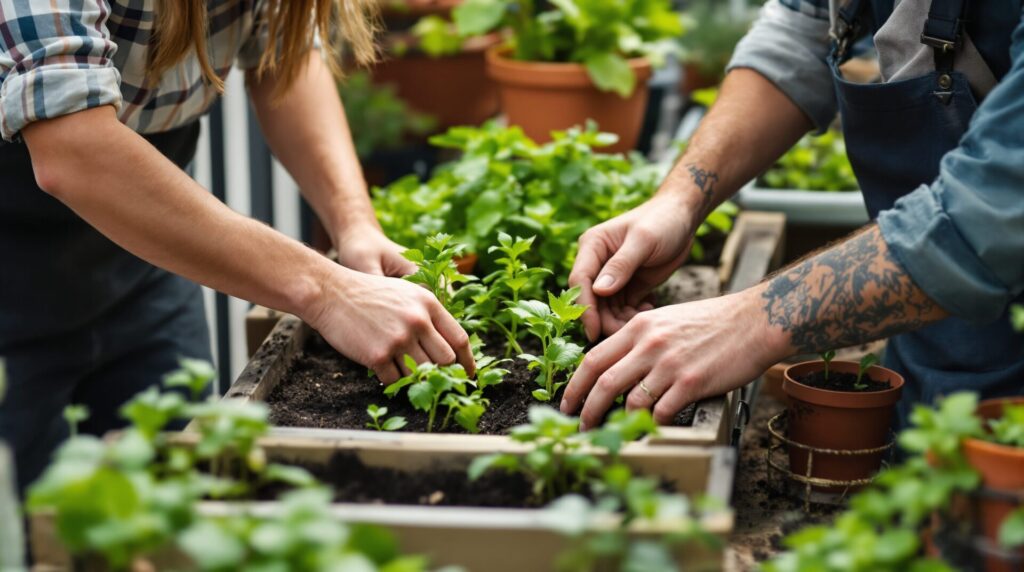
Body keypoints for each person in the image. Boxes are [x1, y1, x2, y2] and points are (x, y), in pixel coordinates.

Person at [0, 0, 474, 493]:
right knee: (25, 532)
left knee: (179, 501)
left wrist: (355, 225)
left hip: (144, 253)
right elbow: (74, 148)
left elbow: (284, 55)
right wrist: (328, 291)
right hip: (15, 261)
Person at [561, 0, 1024, 431]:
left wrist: (749, 323)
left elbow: (991, 212)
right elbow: (799, 34)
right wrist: (680, 199)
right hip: (932, 349)